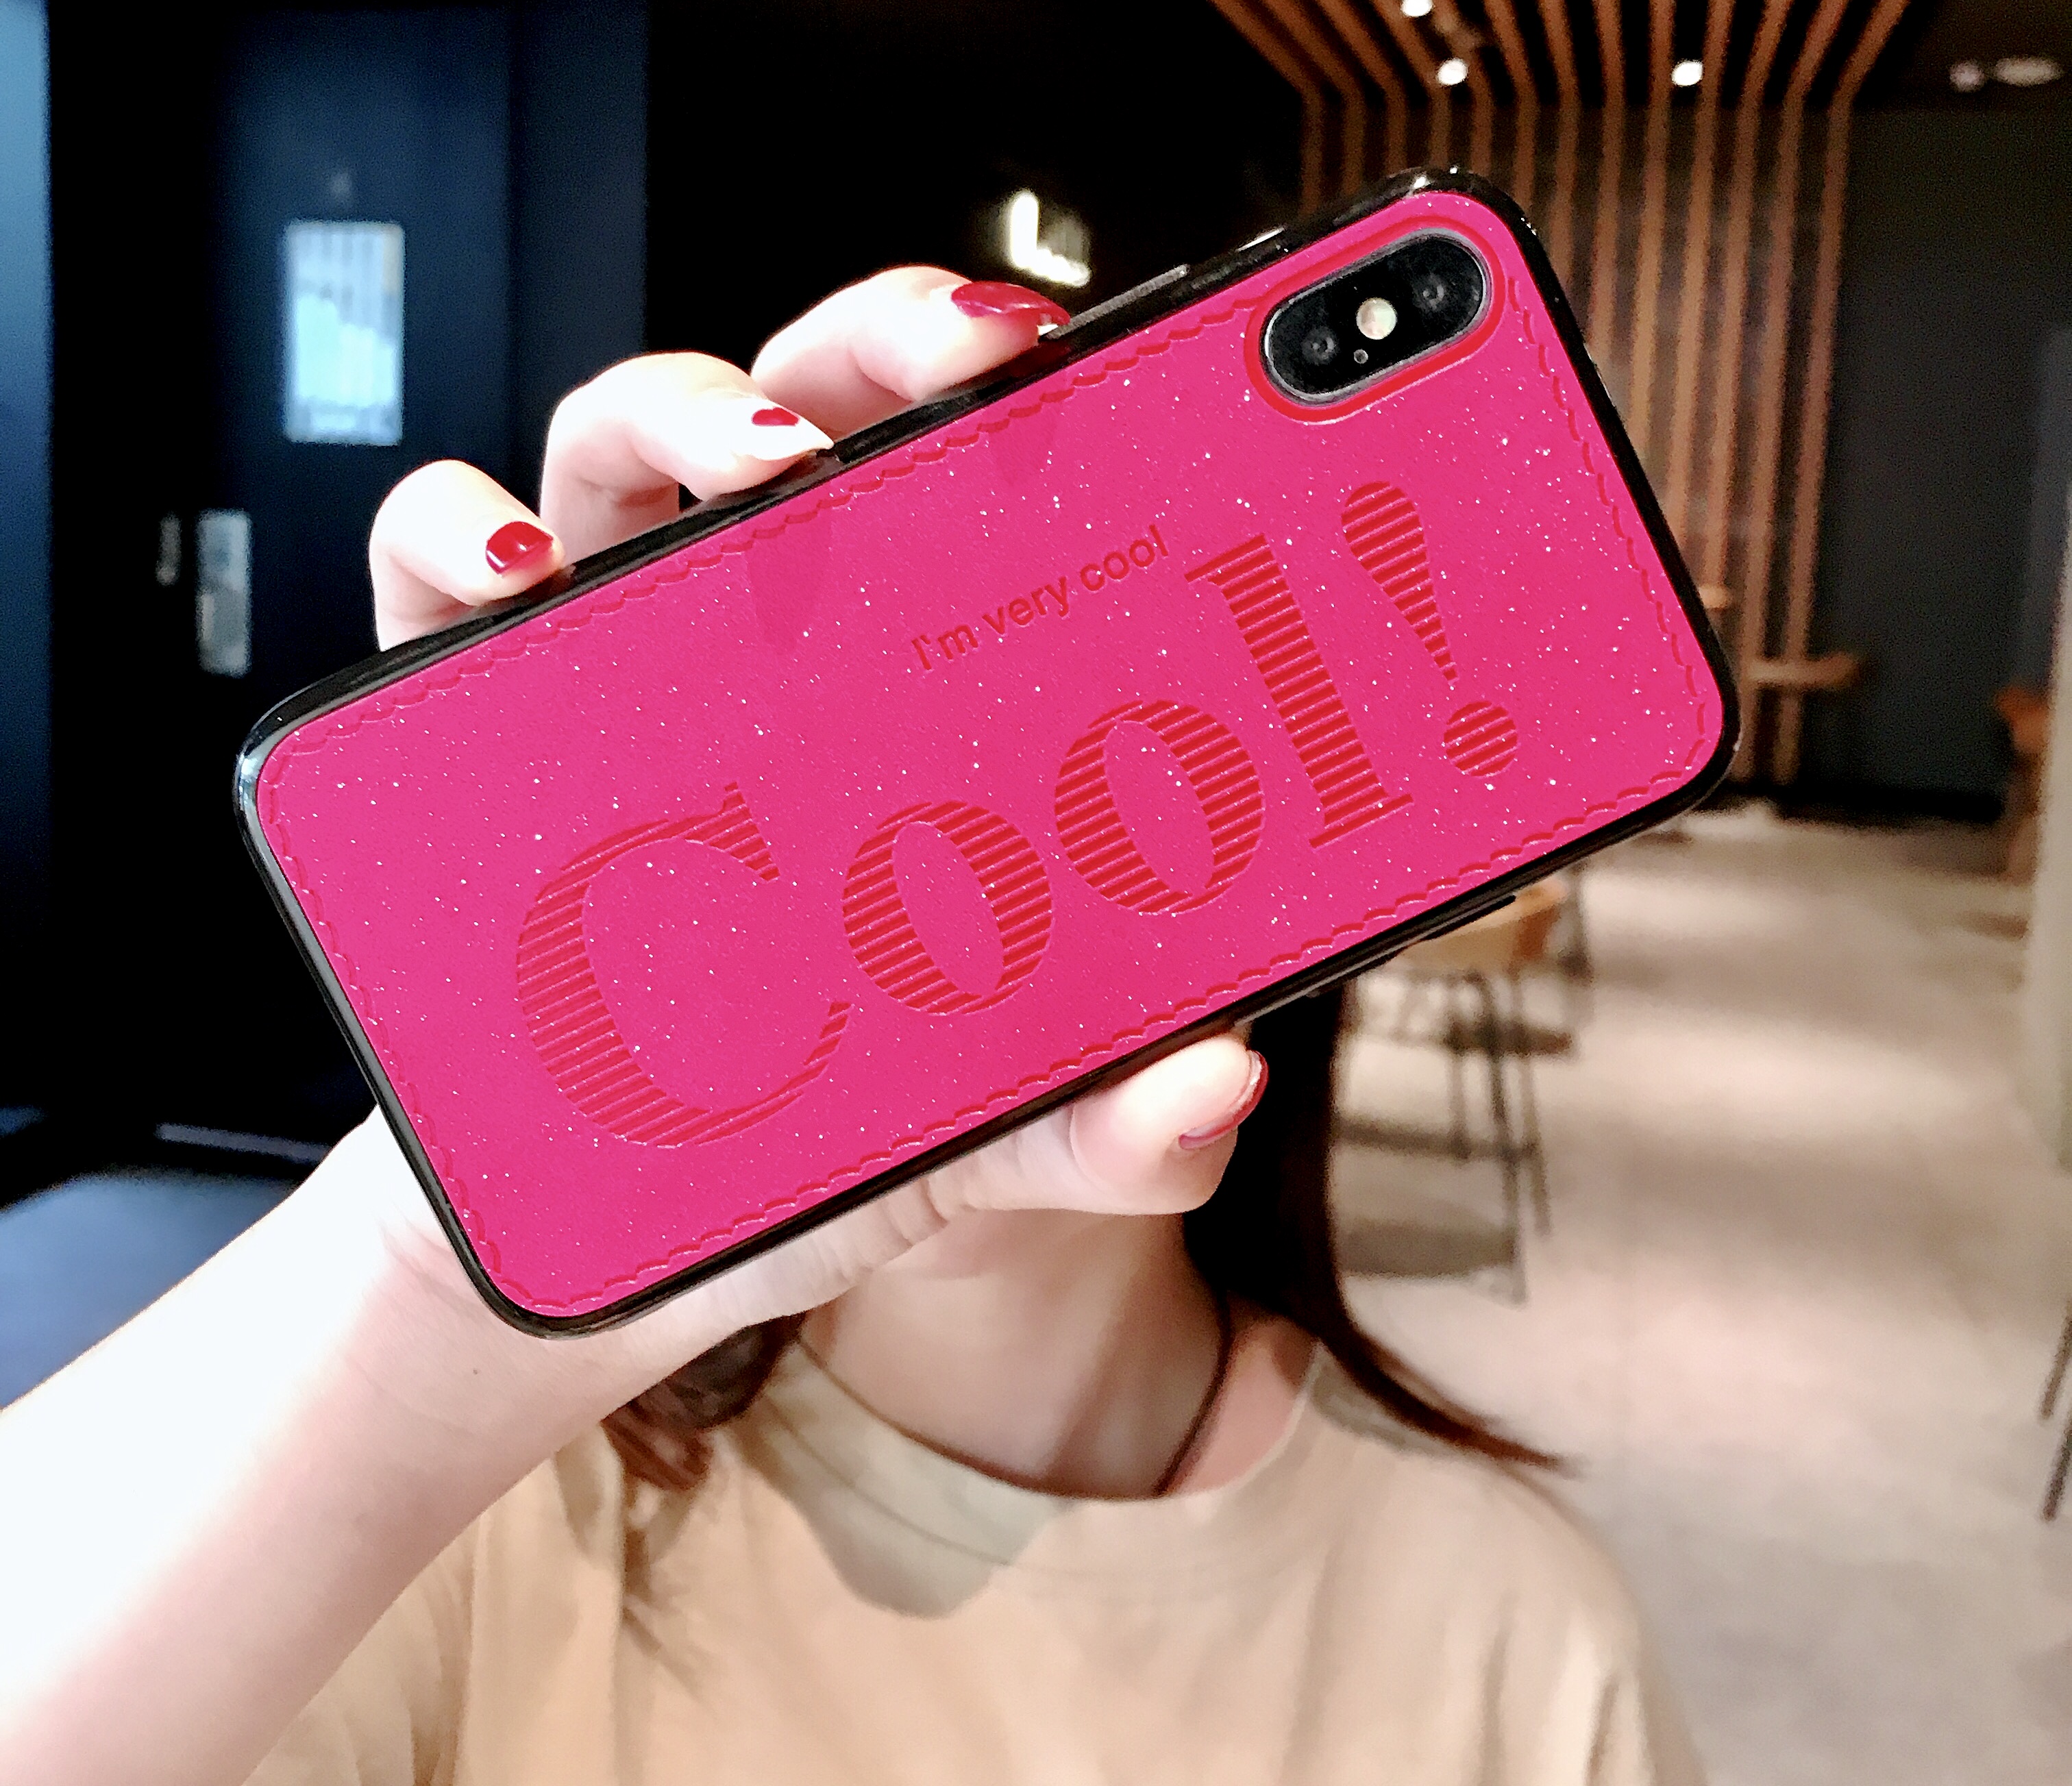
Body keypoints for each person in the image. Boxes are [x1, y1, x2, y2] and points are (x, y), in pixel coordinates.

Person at [0, 268, 1702, 1786]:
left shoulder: (1522, 1647)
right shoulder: (464, 1545)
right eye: (827, 772)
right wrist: (429, 1281)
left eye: (1049, 745)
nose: (934, 899)